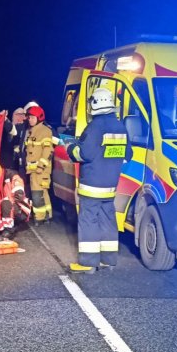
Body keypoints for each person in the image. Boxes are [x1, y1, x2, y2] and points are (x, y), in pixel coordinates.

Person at [66, 88, 132, 274]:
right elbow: (128, 155)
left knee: (88, 221)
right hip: (110, 185)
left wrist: (71, 148)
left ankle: (88, 263)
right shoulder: (120, 126)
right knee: (108, 220)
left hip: (92, 185)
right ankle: (108, 260)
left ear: (95, 103)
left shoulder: (95, 126)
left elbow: (85, 153)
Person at [24, 105, 53, 225]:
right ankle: (48, 215)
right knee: (43, 193)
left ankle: (39, 217)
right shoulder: (33, 131)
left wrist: (41, 166)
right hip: (34, 170)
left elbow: (48, 151)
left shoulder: (45, 131)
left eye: (31, 117)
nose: (29, 119)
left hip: (40, 170)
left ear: (39, 118)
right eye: (29, 117)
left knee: (37, 194)